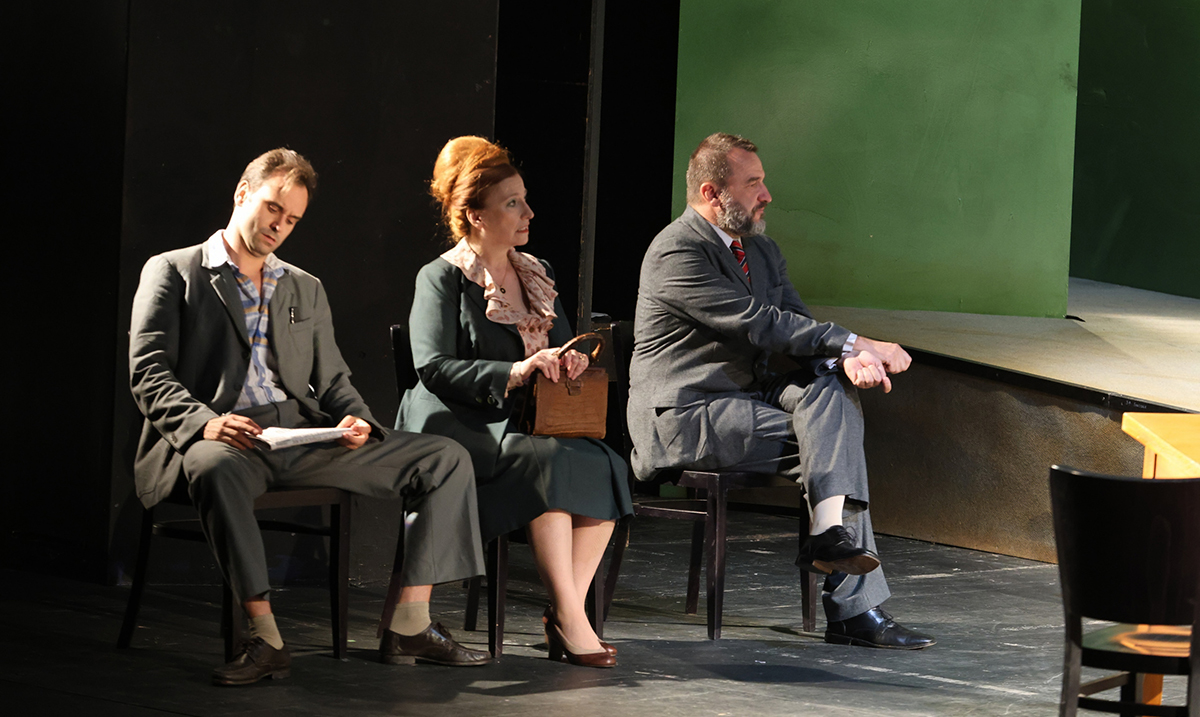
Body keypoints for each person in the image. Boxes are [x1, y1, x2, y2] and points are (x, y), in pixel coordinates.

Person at [129, 148, 492, 686]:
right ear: (243, 194)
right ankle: (265, 638)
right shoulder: (175, 270)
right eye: (273, 208)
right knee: (214, 466)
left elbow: (334, 380)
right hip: (223, 437)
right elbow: (149, 372)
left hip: (298, 436)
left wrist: (357, 422)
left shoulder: (303, 286)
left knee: (445, 457)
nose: (280, 225)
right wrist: (204, 423)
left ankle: (410, 624)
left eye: (293, 219)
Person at [626, 132, 935, 650]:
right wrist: (859, 342)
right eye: (752, 184)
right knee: (832, 438)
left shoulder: (762, 251)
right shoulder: (676, 250)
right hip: (686, 413)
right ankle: (854, 610)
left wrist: (846, 360)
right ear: (711, 193)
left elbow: (797, 323)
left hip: (745, 399)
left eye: (763, 181)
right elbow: (758, 322)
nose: (766, 195)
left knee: (830, 392)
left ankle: (828, 535)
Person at [397, 136, 634, 668]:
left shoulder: (535, 271)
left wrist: (571, 361)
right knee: (547, 463)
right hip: (464, 422)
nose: (528, 212)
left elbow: (565, 344)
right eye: (512, 203)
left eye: (525, 200)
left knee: (606, 464)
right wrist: (516, 371)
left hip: (528, 423)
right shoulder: (442, 277)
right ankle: (571, 619)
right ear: (475, 216)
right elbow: (432, 367)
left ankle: (564, 612)